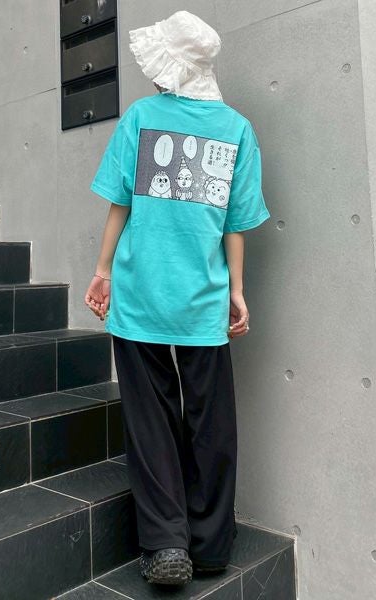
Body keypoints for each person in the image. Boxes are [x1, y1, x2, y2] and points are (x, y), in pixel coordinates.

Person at [84, 10, 270, 587]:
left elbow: (120, 203)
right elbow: (236, 224)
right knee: (212, 421)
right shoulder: (237, 129)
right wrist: (236, 290)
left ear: (173, 65)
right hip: (204, 297)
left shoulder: (141, 117)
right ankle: (211, 546)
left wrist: (102, 270)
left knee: (151, 420)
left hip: (141, 291)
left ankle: (166, 545)